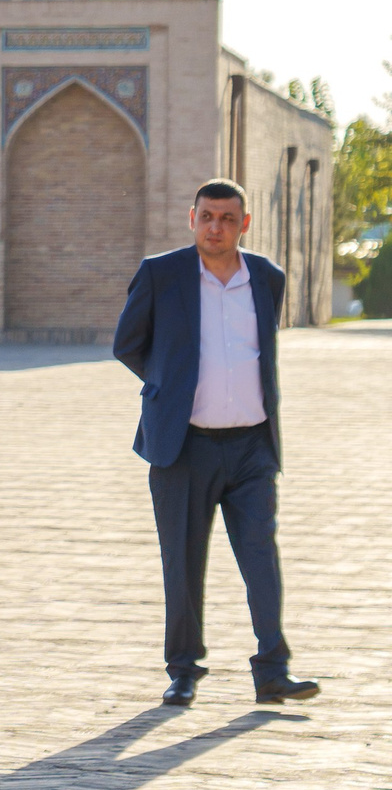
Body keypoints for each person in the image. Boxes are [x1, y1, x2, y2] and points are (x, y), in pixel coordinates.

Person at [112, 179, 320, 708]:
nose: (216, 227)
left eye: (228, 219)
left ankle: (272, 670)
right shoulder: (162, 275)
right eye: (207, 216)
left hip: (252, 447)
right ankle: (183, 669)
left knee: (260, 558)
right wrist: (170, 386)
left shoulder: (265, 278)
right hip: (184, 447)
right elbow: (127, 343)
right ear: (192, 218)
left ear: (243, 224)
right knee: (183, 562)